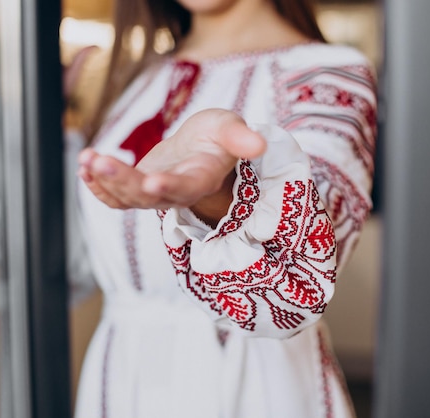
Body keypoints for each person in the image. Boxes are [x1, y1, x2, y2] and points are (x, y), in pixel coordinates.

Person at [68, 0, 377, 417]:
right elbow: (73, 262)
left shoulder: (327, 73)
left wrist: (219, 196)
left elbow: (307, 269)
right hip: (121, 379)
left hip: (253, 389)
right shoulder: (135, 78)